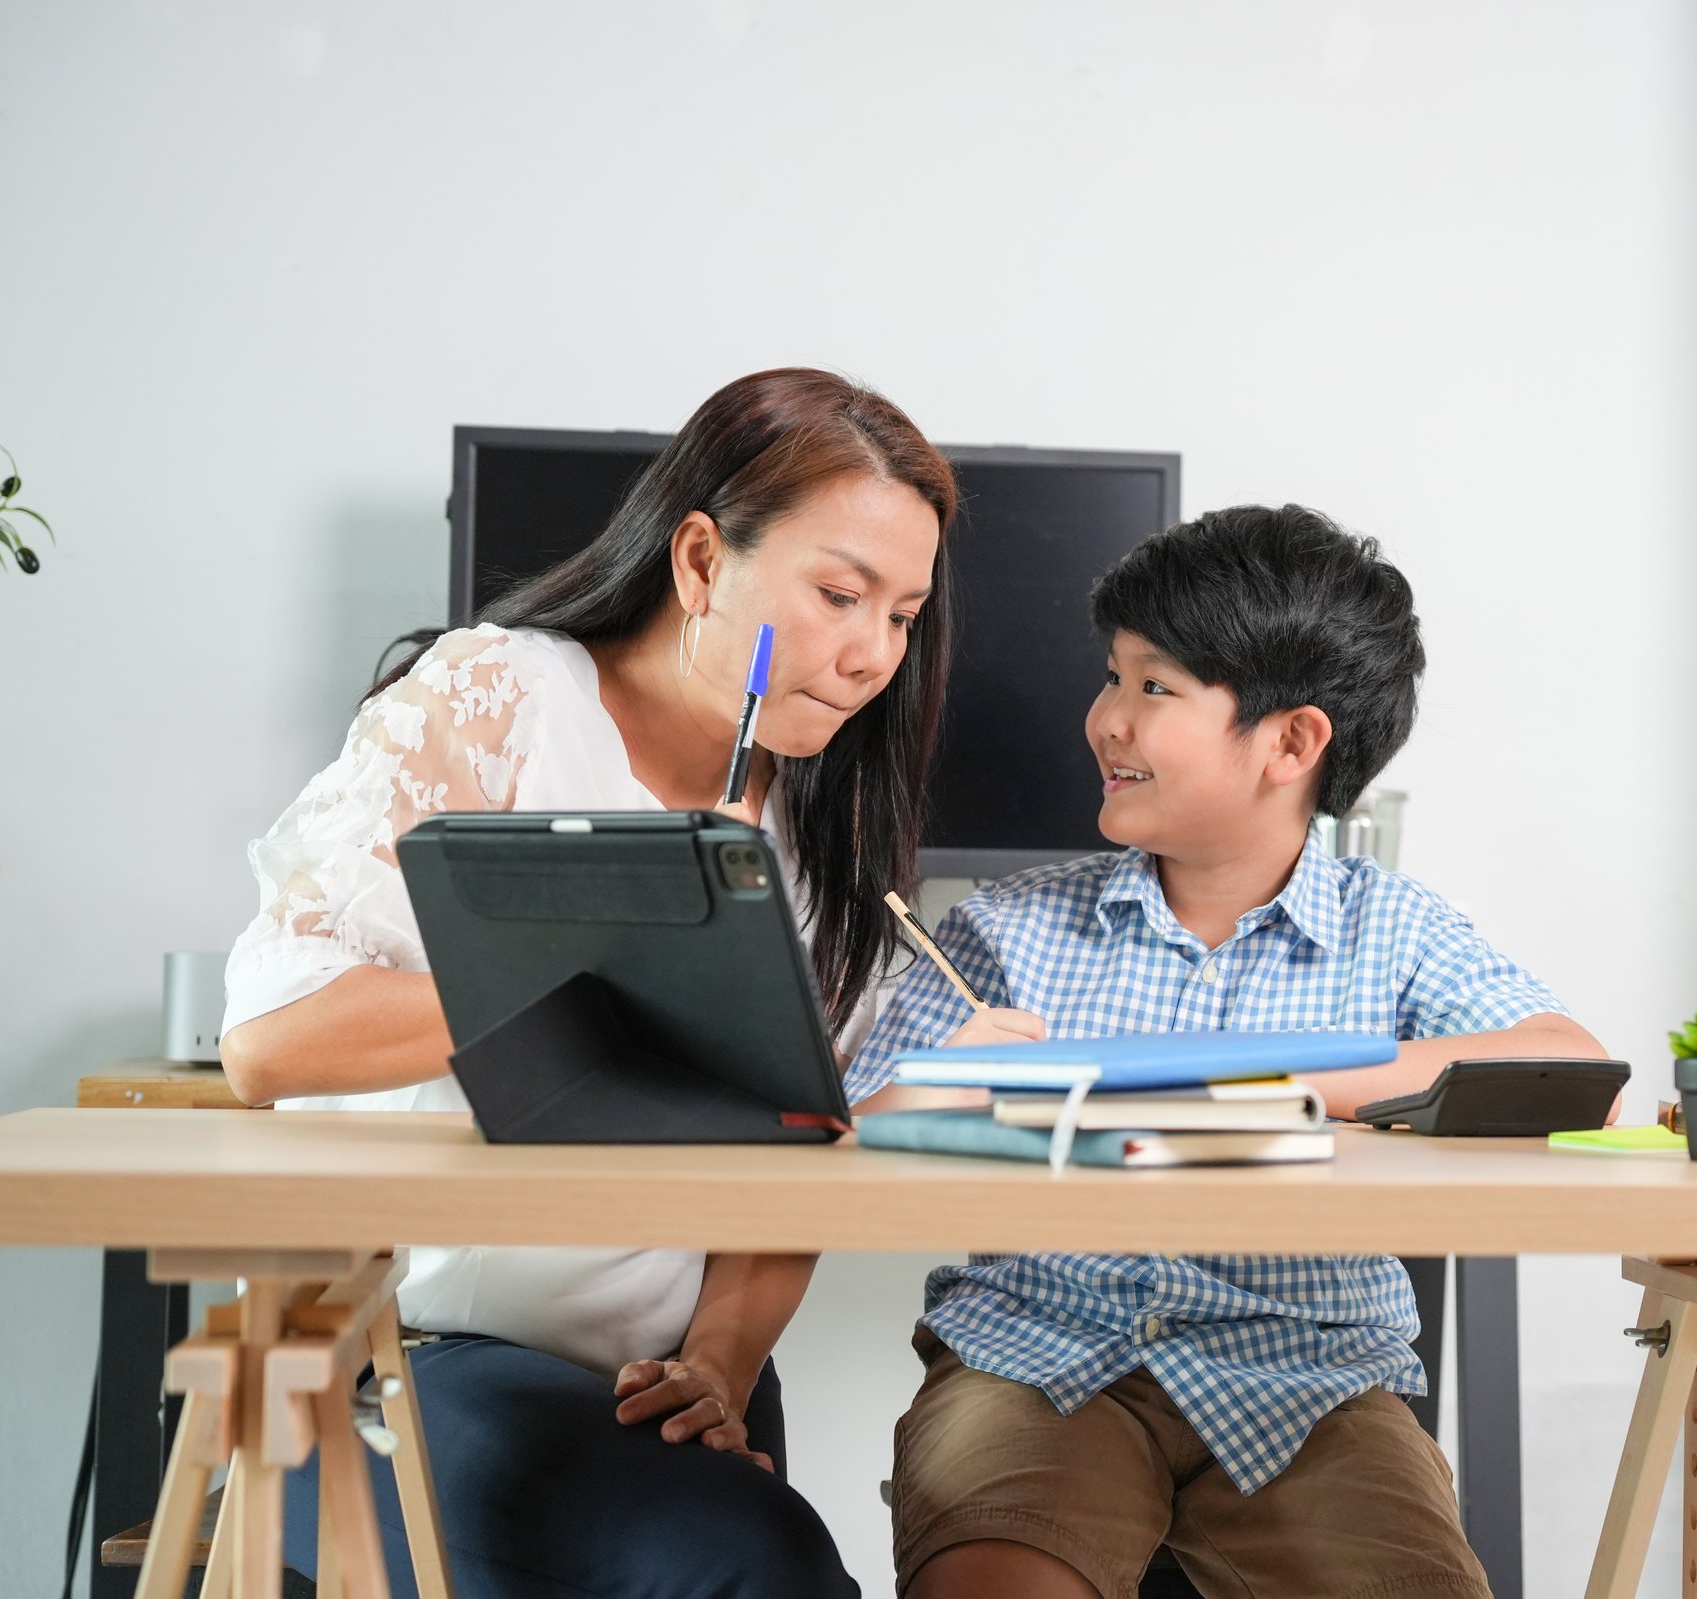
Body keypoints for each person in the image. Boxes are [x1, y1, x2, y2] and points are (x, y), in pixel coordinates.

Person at [219, 367, 955, 1597]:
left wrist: (720, 1361)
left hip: (663, 1374)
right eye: (840, 595)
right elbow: (270, 1040)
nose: (873, 652)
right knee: (748, 1568)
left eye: (905, 615)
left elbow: (794, 1161)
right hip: (411, 1350)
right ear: (704, 561)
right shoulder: (495, 698)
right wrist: (601, 966)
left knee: (760, 1558)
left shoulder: (821, 827)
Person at [847, 504, 1610, 1599]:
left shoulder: (1389, 929)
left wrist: (1271, 1081)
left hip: (1313, 1375)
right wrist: (934, 1088)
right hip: (1037, 1359)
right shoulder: (1000, 933)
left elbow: (1564, 1061)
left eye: (1152, 689)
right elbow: (851, 1141)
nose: (1104, 720)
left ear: (1292, 743)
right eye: (1112, 678)